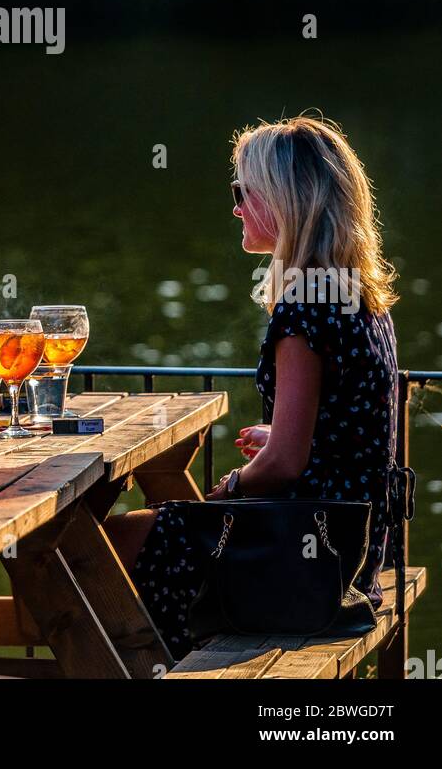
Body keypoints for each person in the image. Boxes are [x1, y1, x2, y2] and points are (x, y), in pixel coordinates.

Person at [104, 113, 399, 661]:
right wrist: (283, 434)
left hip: (301, 560)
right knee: (148, 536)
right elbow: (345, 428)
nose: (235, 206)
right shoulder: (358, 297)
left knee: (95, 553)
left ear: (287, 201)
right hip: (353, 554)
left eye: (243, 191)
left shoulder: (303, 309)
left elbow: (286, 464)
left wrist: (235, 484)